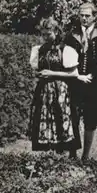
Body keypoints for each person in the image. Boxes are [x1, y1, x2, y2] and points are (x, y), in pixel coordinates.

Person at [29, 17, 81, 158]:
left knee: (63, 117)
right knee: (46, 117)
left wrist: (52, 73)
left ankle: (69, 153)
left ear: (57, 32)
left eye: (49, 34)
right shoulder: (39, 50)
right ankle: (50, 153)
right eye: (43, 34)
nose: (45, 37)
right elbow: (36, 68)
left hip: (62, 90)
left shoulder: (65, 50)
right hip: (45, 90)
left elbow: (74, 73)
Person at [64, 0, 97, 160]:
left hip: (93, 83)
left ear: (94, 17)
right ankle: (72, 152)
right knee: (73, 116)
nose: (84, 18)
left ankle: (86, 155)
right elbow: (66, 57)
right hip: (75, 81)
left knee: (90, 119)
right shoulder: (72, 34)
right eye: (82, 15)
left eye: (87, 16)